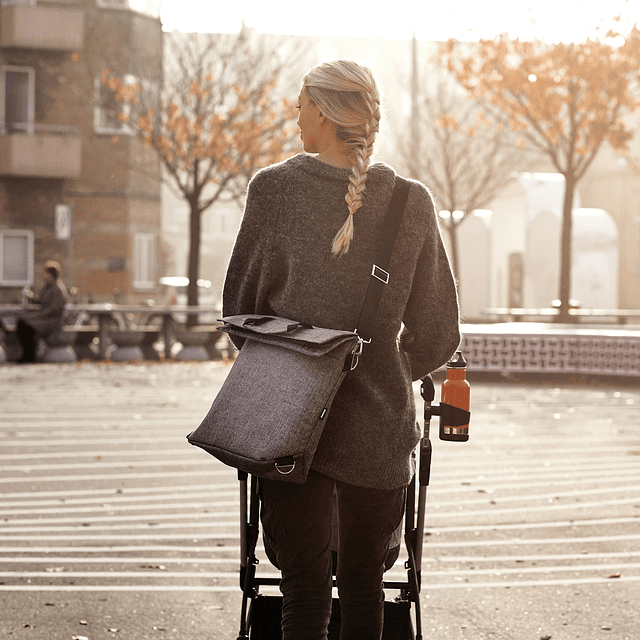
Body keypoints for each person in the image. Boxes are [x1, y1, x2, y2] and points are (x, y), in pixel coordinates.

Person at [223, 60, 460, 640]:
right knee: (364, 586)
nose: (294, 114)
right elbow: (438, 331)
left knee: (303, 588)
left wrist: (294, 360)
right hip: (379, 426)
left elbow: (240, 309)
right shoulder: (411, 203)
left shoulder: (273, 191)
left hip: (289, 424)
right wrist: (387, 369)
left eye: (301, 103)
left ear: (324, 114)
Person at [16, 260, 68, 363]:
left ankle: (30, 356)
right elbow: (42, 302)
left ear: (52, 275)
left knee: (25, 326)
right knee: (22, 322)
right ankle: (28, 355)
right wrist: (32, 299)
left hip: (52, 322)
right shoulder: (49, 287)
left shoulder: (57, 289)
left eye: (46, 274)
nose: (44, 276)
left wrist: (35, 316)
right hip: (46, 319)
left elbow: (53, 310)